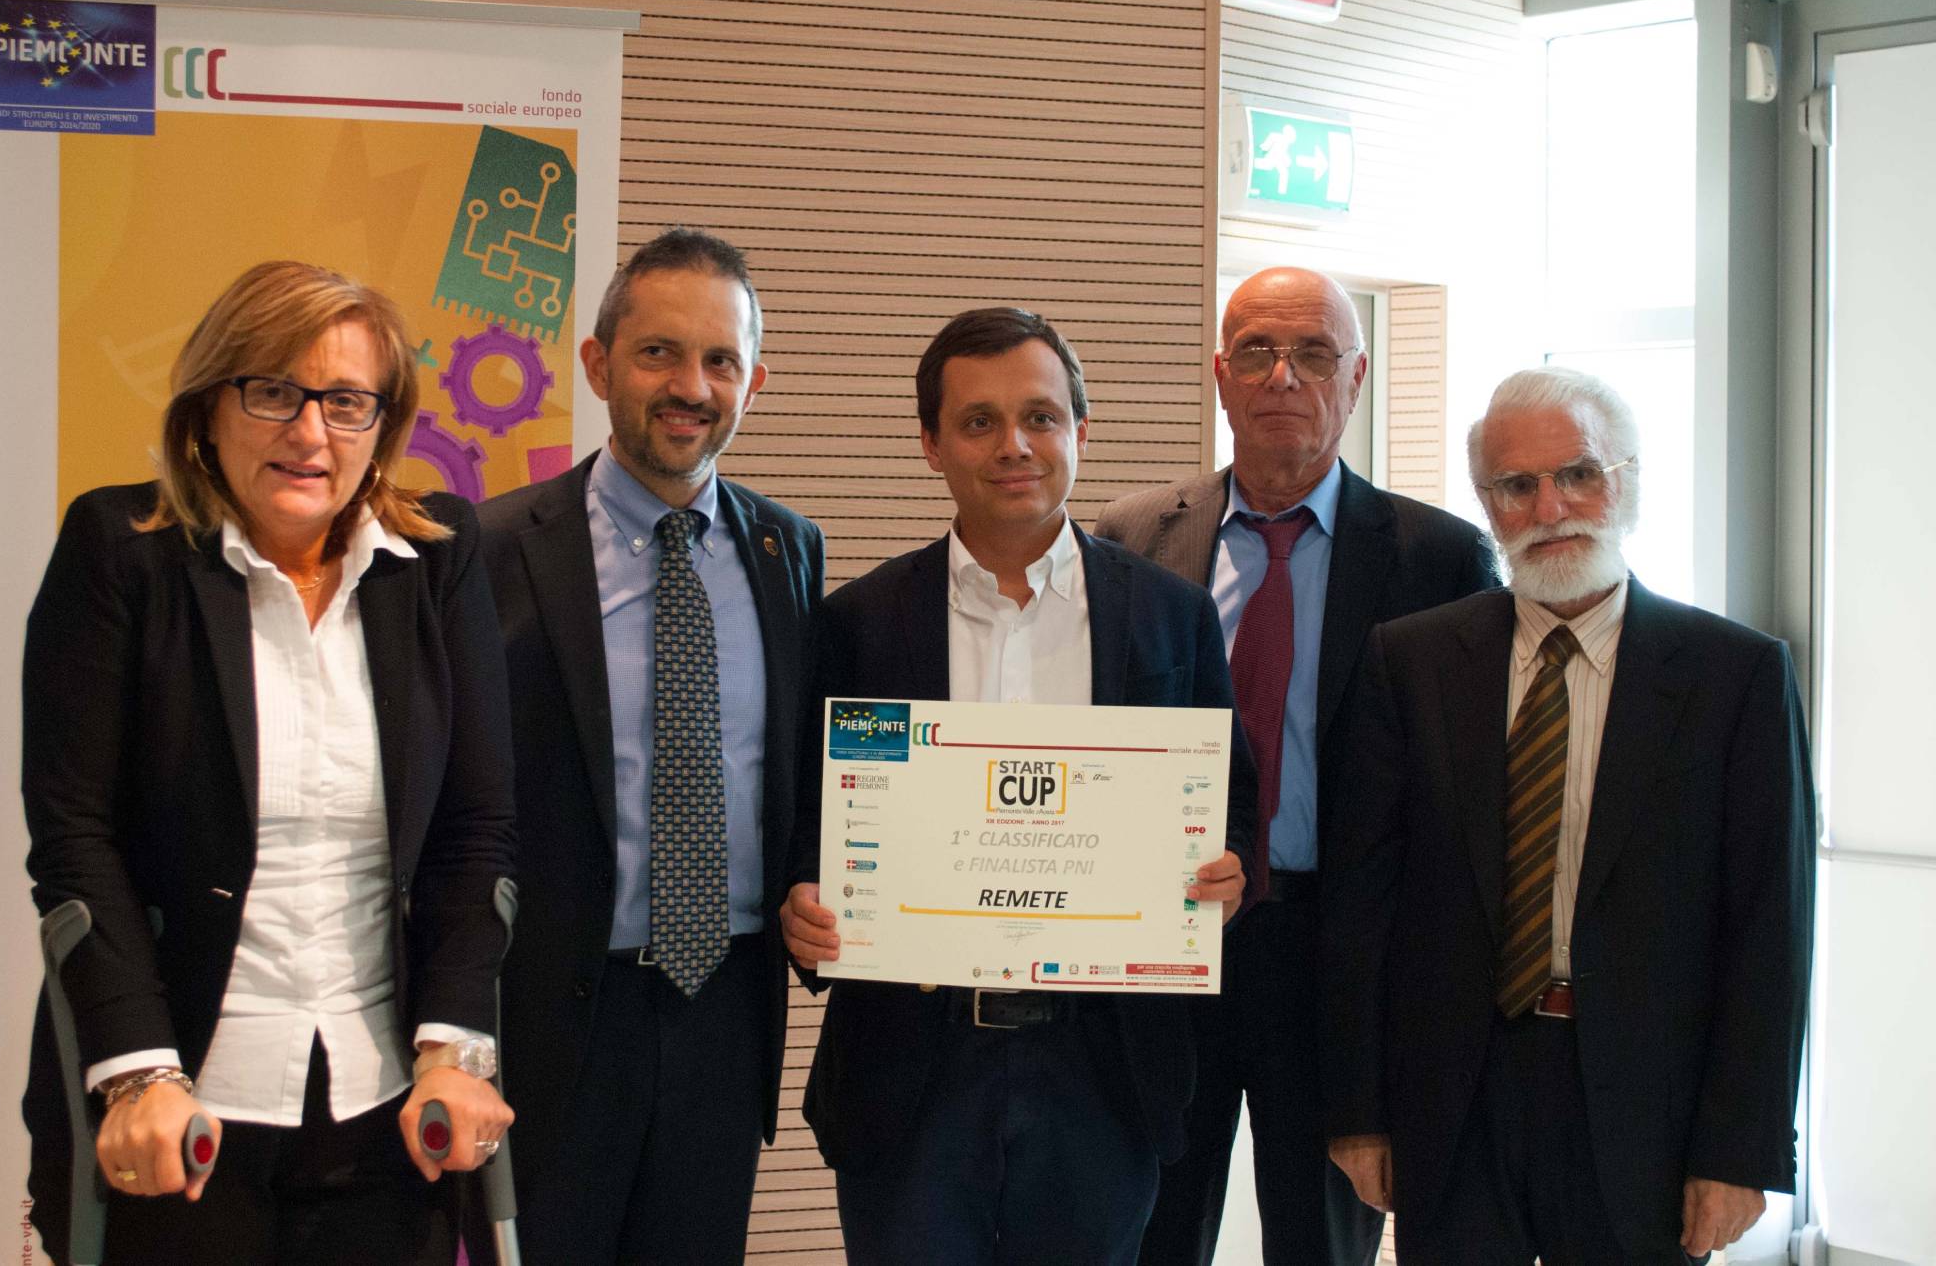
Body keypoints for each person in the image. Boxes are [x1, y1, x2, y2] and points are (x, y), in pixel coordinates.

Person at [20, 260, 517, 1266]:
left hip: (386, 1106)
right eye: (273, 392)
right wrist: (139, 1072)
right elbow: (74, 835)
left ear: (383, 423)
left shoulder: (438, 560)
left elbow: (478, 831)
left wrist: (453, 1045)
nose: (309, 432)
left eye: (346, 401)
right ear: (209, 407)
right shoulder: (121, 550)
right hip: (182, 1108)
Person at [779, 307, 1255, 1265]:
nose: (1014, 446)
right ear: (931, 444)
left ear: (1081, 429)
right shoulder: (856, 622)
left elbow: (1230, 807)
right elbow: (808, 823)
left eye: (1040, 416)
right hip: (912, 1070)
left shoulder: (1172, 616)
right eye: (979, 421)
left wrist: (1229, 872)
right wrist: (804, 904)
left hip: (1104, 1071)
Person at [1320, 368, 1815, 1264]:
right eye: (1517, 485)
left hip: (1647, 1108)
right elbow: (1363, 904)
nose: (1551, 508)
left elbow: (1768, 929)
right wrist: (1358, 1113)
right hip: (1454, 1101)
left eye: (1579, 474)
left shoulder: (1734, 675)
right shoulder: (1410, 662)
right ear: (1488, 505)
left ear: (1627, 482)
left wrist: (1741, 1151)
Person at [1093, 266, 1498, 1266]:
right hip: (1166, 940)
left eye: (1314, 353)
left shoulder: (1439, 558)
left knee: (1320, 1242)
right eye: (1258, 353)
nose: (1284, 376)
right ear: (1220, 376)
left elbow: (1462, 798)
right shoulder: (1132, 536)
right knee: (1147, 1234)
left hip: (1339, 960)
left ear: (1354, 378)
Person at [478, 228, 825, 1264]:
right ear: (597, 364)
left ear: (754, 381)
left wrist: (817, 885)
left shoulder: (789, 548)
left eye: (720, 360)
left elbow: (799, 774)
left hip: (724, 1010)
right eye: (659, 353)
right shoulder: (487, 550)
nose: (691, 386)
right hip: (549, 1016)